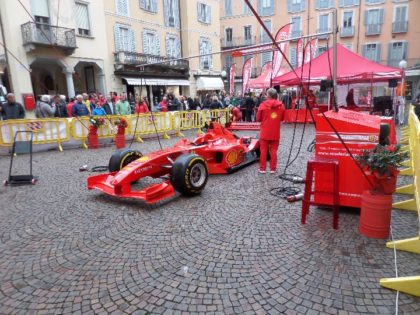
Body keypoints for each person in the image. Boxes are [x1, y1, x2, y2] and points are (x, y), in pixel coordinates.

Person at [256, 88, 285, 174]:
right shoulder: (281, 105)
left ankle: (262, 168)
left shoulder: (262, 105)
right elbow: (282, 118)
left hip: (265, 131)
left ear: (268, 95)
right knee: (274, 150)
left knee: (263, 150)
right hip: (275, 131)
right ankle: (273, 169)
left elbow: (258, 119)